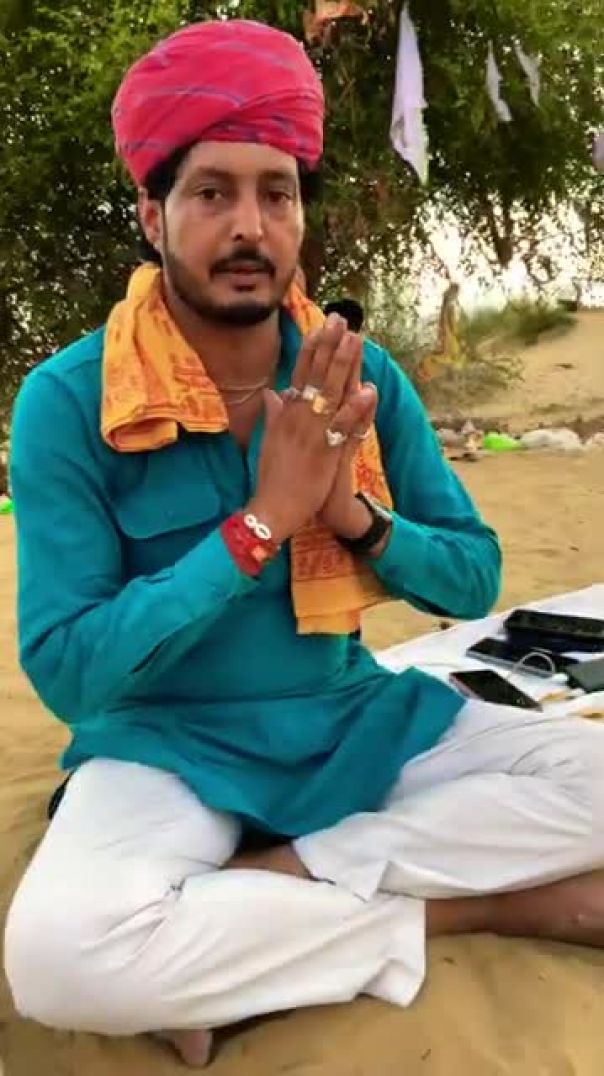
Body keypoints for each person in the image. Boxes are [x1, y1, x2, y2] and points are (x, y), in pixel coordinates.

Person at [4, 19, 604, 1071]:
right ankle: (467, 912)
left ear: (298, 215)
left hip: (353, 720)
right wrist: (260, 525)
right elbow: (69, 672)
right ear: (151, 213)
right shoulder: (69, 400)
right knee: (59, 958)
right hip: (169, 749)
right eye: (211, 192)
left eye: (275, 194)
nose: (249, 225)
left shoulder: (357, 377)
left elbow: (473, 576)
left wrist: (354, 518)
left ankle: (281, 885)